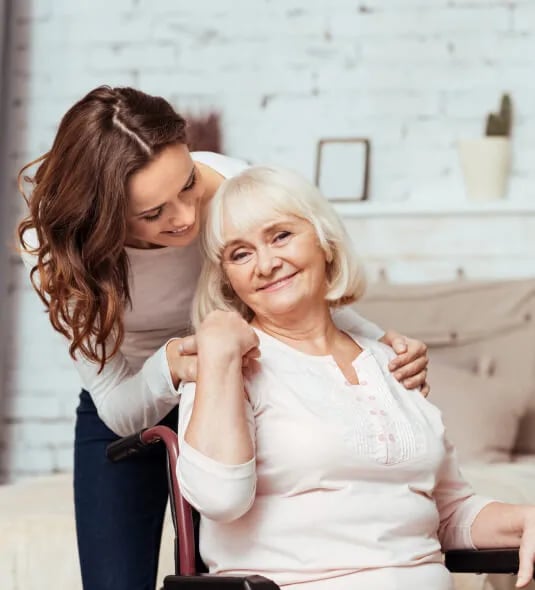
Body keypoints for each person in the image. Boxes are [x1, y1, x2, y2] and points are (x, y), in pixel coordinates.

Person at [16, 86, 430, 590]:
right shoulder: (54, 247)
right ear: (102, 215)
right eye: (153, 214)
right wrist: (170, 365)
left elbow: (295, 286)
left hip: (237, 383)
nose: (186, 217)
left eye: (188, 184)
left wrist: (380, 345)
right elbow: (115, 403)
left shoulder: (233, 184)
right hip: (131, 393)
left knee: (229, 567)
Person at [177, 165, 535, 590]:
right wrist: (218, 349)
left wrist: (525, 519)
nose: (267, 264)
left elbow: (449, 510)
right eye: (240, 254)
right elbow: (218, 499)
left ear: (325, 242)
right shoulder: (223, 366)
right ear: (228, 280)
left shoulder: (390, 363)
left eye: (281, 236)